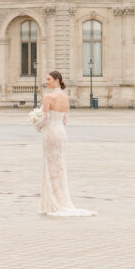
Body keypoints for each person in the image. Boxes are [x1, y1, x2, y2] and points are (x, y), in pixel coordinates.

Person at [32, 70, 96, 217]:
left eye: (48, 79)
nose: (46, 82)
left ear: (56, 80)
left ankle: (52, 201)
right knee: (60, 166)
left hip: (50, 133)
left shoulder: (48, 97)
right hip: (61, 133)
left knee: (50, 166)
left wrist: (36, 124)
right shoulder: (65, 98)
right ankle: (62, 199)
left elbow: (46, 119)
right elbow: (65, 121)